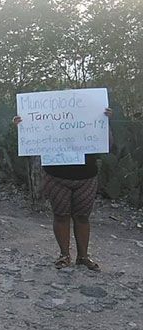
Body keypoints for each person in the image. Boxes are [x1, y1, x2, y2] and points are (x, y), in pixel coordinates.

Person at [13, 107, 113, 271]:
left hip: (86, 176)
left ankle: (83, 257)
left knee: (82, 217)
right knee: (60, 215)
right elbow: (32, 140)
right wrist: (23, 127)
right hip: (56, 175)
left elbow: (107, 144)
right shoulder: (50, 122)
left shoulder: (92, 121)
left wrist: (106, 122)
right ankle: (64, 255)